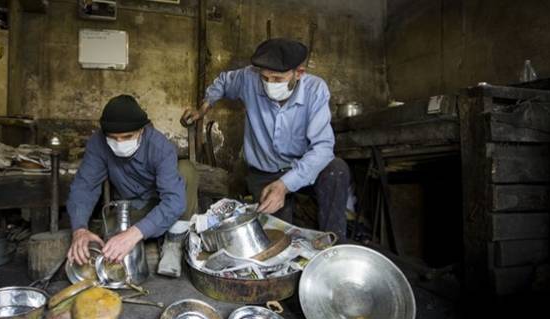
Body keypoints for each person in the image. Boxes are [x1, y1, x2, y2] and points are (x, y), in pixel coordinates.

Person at [181, 38, 350, 236]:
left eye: (278, 79)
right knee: (277, 236)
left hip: (301, 167)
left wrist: (285, 184)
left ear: (299, 73)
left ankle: (336, 248)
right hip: (265, 171)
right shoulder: (249, 78)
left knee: (337, 170)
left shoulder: (316, 90)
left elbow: (322, 148)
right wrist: (202, 109)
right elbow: (223, 82)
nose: (270, 84)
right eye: (265, 78)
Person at [67, 94, 198, 265]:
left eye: (127, 137)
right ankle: (152, 234)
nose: (119, 143)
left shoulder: (160, 147)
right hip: (130, 206)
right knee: (109, 244)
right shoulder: (98, 143)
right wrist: (79, 230)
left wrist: (134, 234)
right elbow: (84, 187)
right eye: (113, 138)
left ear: (141, 130)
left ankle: (174, 242)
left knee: (187, 169)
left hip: (160, 202)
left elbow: (174, 201)